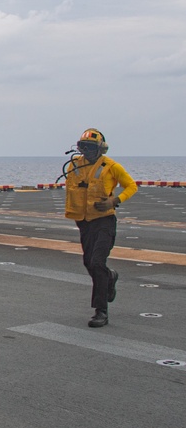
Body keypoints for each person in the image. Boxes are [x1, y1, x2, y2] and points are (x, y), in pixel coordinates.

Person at [63, 129, 137, 328]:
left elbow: (131, 186)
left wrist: (115, 200)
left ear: (100, 148)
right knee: (89, 263)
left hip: (104, 220)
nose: (86, 150)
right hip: (84, 222)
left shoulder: (111, 166)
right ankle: (109, 276)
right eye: (83, 146)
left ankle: (101, 311)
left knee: (97, 262)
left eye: (91, 147)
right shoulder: (73, 165)